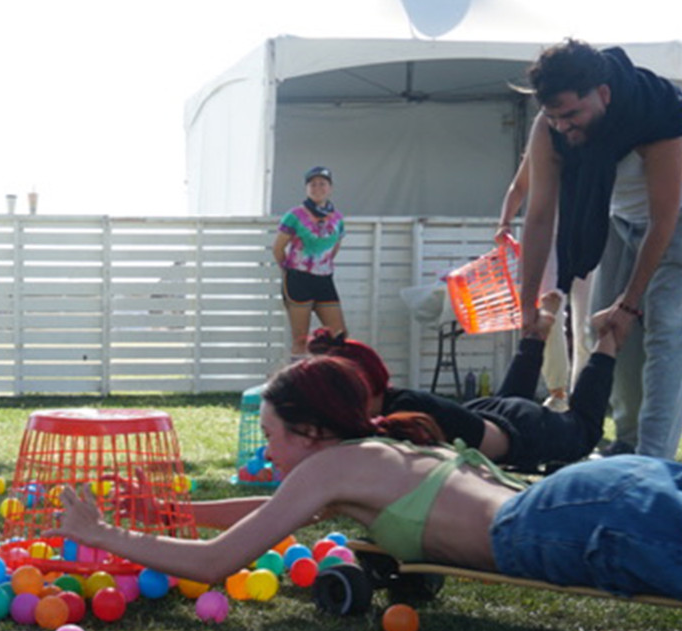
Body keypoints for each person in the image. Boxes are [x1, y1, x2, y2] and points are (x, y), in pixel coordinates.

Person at [51, 354, 682, 600]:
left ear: (313, 433)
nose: (268, 453)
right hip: (591, 493)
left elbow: (217, 563)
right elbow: (262, 512)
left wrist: (102, 534)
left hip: (569, 523)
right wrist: (166, 510)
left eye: (271, 435)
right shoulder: (376, 449)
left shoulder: (331, 466)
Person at [517, 39, 682, 459]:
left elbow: (664, 220)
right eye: (555, 117)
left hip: (674, 222)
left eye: (572, 114)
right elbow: (538, 218)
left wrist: (630, 304)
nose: (565, 126)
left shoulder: (658, 111)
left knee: (664, 329)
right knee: (602, 328)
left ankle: (653, 461)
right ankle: (625, 443)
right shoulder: (549, 129)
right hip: (621, 223)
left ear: (603, 94)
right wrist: (527, 304)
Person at [306, 315, 618, 472]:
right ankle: (533, 337)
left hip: (519, 430)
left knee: (584, 431)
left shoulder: (402, 415)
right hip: (486, 415)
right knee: (511, 397)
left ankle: (608, 337)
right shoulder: (394, 402)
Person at [496, 153, 595, 410]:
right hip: (547, 241)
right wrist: (504, 222)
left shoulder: (597, 142)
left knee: (587, 325)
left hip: (588, 239)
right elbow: (518, 186)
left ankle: (582, 395)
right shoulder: (543, 146)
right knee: (548, 315)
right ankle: (559, 392)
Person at [272, 166, 347, 357]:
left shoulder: (337, 218)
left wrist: (322, 265)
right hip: (298, 279)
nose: (317, 187)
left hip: (324, 279)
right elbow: (278, 248)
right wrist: (290, 271)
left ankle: (332, 379)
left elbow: (335, 246)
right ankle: (296, 382)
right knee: (300, 339)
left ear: (330, 188)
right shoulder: (295, 215)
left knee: (339, 336)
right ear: (306, 188)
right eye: (312, 184)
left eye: (322, 183)